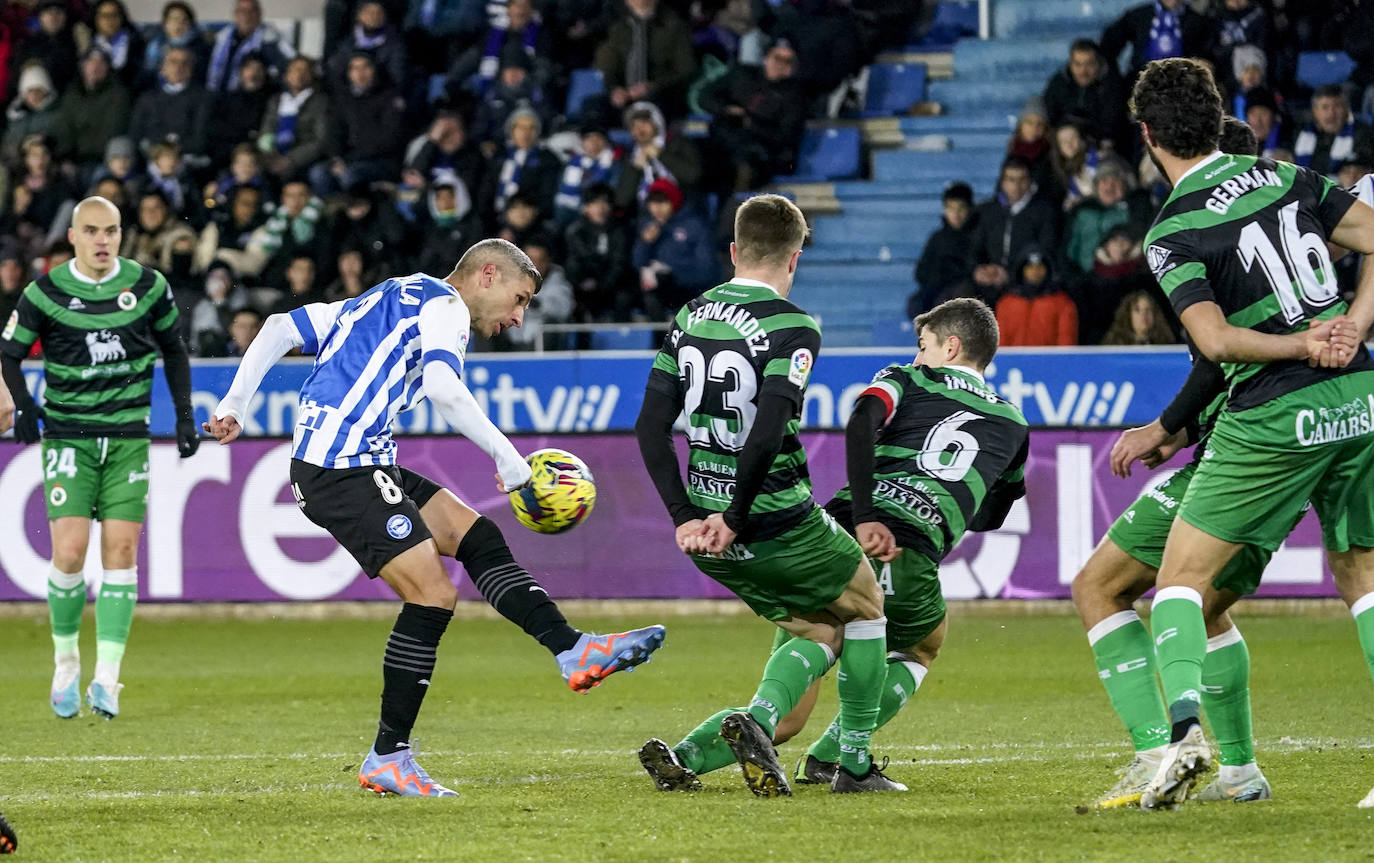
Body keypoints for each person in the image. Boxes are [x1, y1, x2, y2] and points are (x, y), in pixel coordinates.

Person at [201, 238, 667, 796]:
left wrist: (234, 402)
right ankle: (387, 757)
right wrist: (510, 461)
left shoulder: (389, 294)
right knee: (431, 595)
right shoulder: (446, 307)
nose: (519, 318)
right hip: (341, 469)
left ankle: (571, 649)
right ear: (487, 276)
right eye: (519, 300)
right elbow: (446, 389)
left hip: (358, 461)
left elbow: (277, 326)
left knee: (478, 534)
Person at [1123, 57, 1374, 810]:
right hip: (1360, 396)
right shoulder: (1286, 177)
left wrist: (1303, 345)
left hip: (1275, 411)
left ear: (1148, 135)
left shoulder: (1172, 231)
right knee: (1363, 576)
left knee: (1180, 583)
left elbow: (1219, 342)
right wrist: (1354, 326)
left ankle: (1185, 736)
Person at [633, 194, 898, 796]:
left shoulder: (691, 315)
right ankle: (851, 766)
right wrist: (735, 513)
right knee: (866, 608)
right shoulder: (793, 326)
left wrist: (686, 517)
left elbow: (650, 427)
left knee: (815, 632)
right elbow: (769, 426)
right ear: (795, 257)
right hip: (776, 521)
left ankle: (688, 755)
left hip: (706, 534)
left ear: (733, 250)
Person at [771, 299, 1027, 786]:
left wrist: (868, 510)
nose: (917, 357)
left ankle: (745, 729)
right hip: (905, 545)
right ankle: (837, 756)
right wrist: (938, 506)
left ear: (950, 346)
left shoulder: (907, 379)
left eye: (923, 345)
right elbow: (994, 512)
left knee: (812, 644)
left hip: (835, 527)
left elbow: (864, 418)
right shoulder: (1013, 422)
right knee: (922, 644)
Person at [0, 196, 199, 720]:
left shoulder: (149, 286)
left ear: (120, 233)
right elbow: (10, 353)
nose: (102, 241)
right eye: (91, 231)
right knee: (68, 551)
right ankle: (66, 664)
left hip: (128, 437)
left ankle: (107, 677)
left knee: (122, 548)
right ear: (72, 236)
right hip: (69, 438)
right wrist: (23, 406)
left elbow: (174, 349)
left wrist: (183, 415)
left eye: (110, 230)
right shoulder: (44, 293)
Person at [1041, 39, 1129, 154]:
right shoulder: (1059, 83)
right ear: (1071, 63)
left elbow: (1112, 127)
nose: (1083, 71)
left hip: (1102, 147)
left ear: (1098, 63)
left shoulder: (1112, 86)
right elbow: (1049, 116)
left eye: (1089, 64)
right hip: (1064, 144)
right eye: (1077, 64)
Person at [909, 181, 975, 318]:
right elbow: (920, 271)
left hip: (962, 292)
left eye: (960, 208)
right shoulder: (937, 238)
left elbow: (973, 269)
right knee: (916, 303)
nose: (955, 214)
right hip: (936, 289)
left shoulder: (977, 236)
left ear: (970, 208)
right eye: (950, 208)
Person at [1101, 289, 1175, 345]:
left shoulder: (1167, 345)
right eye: (1137, 310)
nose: (1144, 315)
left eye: (1148, 310)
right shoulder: (1113, 345)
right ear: (1128, 315)